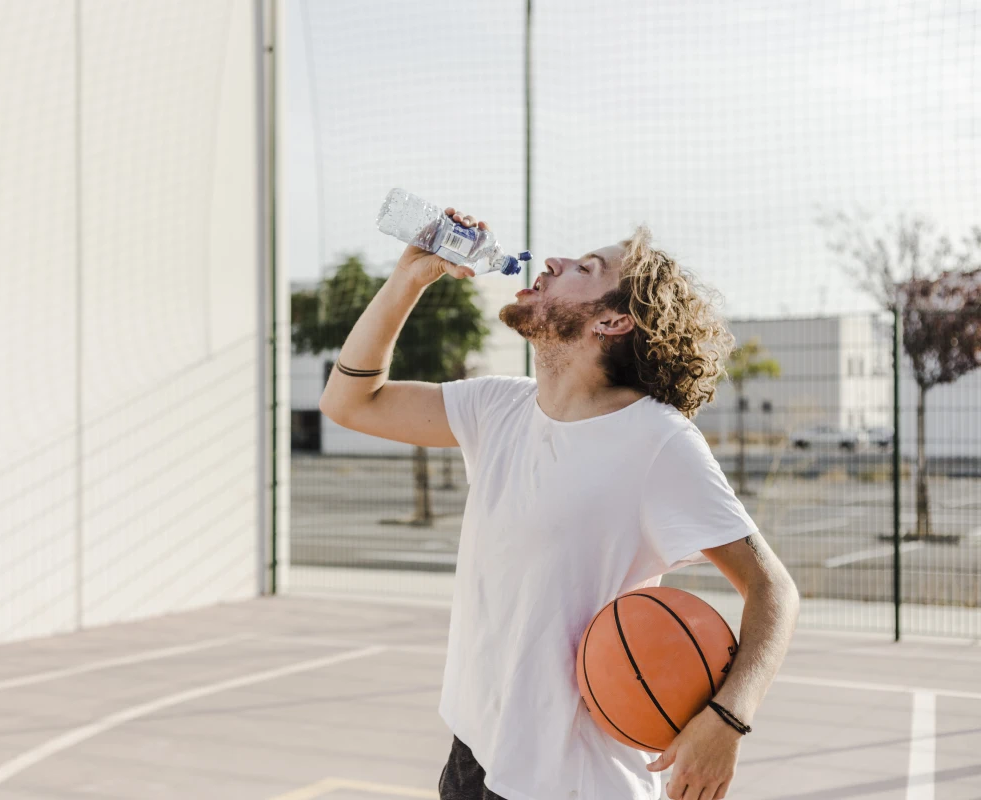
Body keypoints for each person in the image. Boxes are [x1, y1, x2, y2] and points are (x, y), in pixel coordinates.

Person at [319, 208, 801, 800]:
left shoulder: (658, 442)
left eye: (585, 267)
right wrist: (408, 279)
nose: (552, 263)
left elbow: (774, 590)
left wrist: (726, 722)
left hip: (573, 779)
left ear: (614, 320)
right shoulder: (498, 407)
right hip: (475, 753)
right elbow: (349, 403)